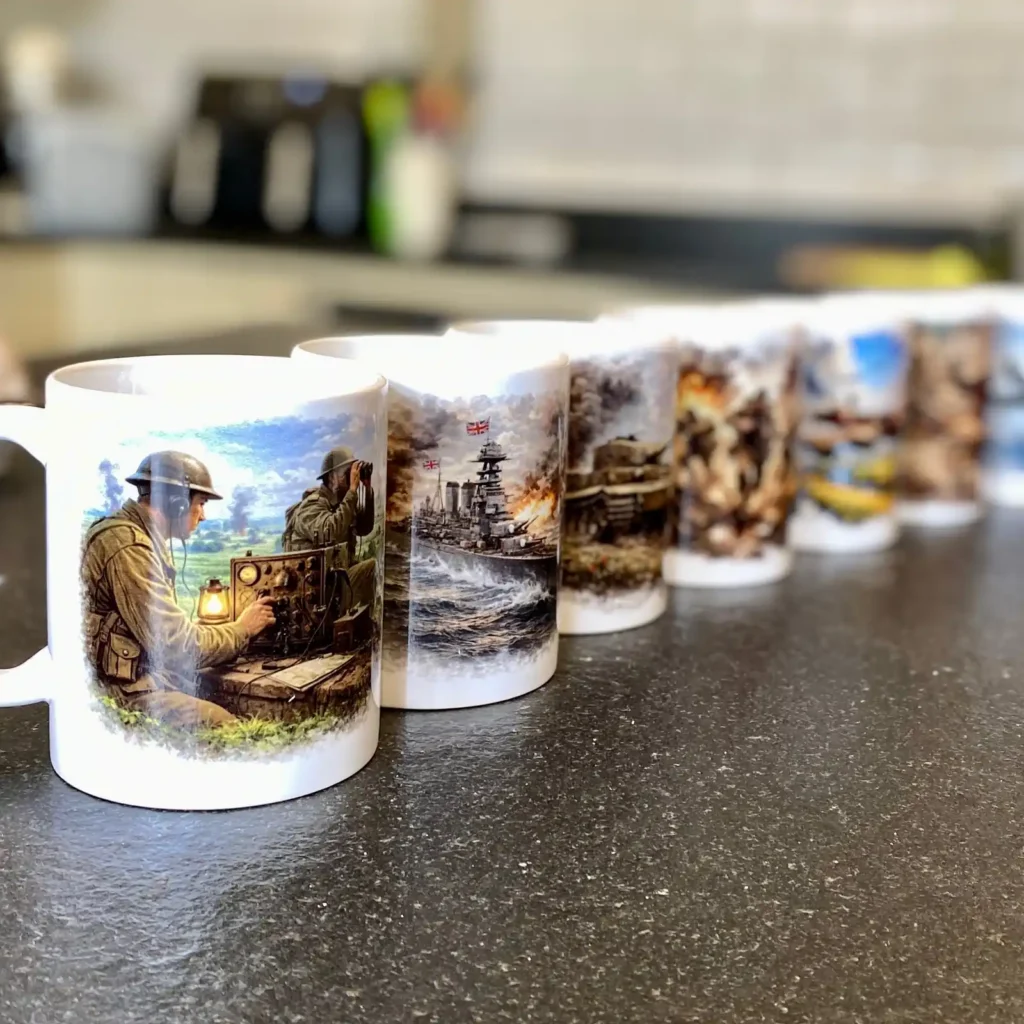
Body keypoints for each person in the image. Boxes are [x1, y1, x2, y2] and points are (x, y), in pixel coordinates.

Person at [81, 451, 276, 730]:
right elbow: (176, 646)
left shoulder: (141, 538)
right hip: (117, 691)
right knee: (226, 726)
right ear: (177, 504)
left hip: (143, 674)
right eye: (201, 503)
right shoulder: (129, 546)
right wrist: (242, 629)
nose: (203, 516)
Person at [281, 446, 376, 611]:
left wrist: (366, 488)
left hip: (334, 583)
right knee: (371, 567)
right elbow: (329, 532)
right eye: (347, 473)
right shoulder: (312, 505)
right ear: (332, 477)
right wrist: (352, 491)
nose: (352, 476)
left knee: (370, 566)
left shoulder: (340, 504)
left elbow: (364, 528)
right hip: (315, 592)